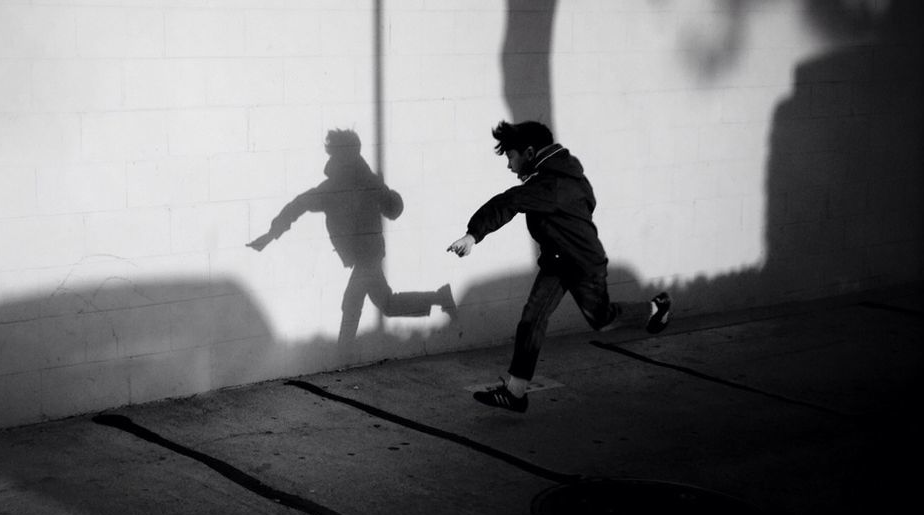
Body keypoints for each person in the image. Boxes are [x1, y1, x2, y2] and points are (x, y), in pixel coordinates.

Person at [447, 120, 671, 413]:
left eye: (511, 157)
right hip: (557, 262)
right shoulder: (563, 174)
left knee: (602, 320)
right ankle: (515, 393)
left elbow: (509, 202)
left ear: (529, 152)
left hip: (582, 264)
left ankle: (656, 309)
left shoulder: (552, 185)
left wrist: (473, 234)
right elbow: (588, 201)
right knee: (532, 318)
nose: (509, 166)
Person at [250, 129, 455, 346]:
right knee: (387, 304)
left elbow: (393, 209)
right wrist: (272, 233)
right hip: (367, 254)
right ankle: (439, 297)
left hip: (368, 255)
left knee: (351, 303)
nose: (333, 158)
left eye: (335, 154)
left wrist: (384, 191)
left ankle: (343, 354)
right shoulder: (343, 186)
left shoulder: (356, 183)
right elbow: (299, 205)